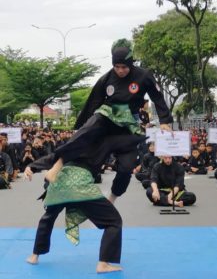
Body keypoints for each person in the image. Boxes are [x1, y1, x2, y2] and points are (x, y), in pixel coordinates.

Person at [50, 38, 173, 203]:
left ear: (131, 64)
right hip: (107, 118)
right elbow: (93, 102)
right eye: (117, 67)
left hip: (129, 124)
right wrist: (80, 127)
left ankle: (113, 197)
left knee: (126, 167)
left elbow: (157, 97)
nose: (120, 71)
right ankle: (58, 164)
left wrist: (165, 120)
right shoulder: (106, 78)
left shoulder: (144, 76)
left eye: (124, 67)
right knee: (88, 130)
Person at [24, 134, 145, 273]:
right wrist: (114, 194)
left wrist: (32, 166)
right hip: (80, 183)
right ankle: (103, 263)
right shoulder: (108, 138)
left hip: (59, 182)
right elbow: (124, 168)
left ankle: (34, 256)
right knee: (114, 221)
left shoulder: (81, 137)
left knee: (49, 216)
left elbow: (58, 155)